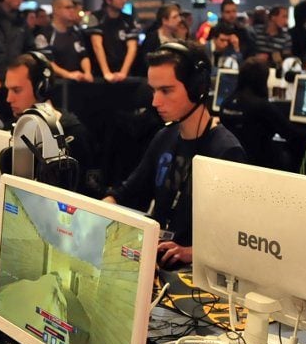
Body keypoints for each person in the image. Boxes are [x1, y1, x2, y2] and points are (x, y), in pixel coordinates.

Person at [103, 42, 246, 266]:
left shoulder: (226, 151)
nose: (155, 101)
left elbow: (235, 239)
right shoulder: (164, 137)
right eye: (153, 90)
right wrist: (97, 209)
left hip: (194, 271)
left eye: (166, 91)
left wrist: (191, 252)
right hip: (157, 259)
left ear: (197, 88)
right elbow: (128, 192)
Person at [4, 53, 97, 194]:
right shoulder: (11, 127)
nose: (9, 98)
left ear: (42, 88)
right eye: (8, 90)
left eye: (16, 90)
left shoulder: (73, 134)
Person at [219, 58, 306, 171]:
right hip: (260, 165)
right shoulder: (262, 107)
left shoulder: (226, 103)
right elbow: (290, 133)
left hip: (230, 164)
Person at [85, 0, 139, 82]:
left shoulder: (129, 19)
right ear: (108, 0)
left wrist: (123, 73)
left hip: (123, 72)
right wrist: (106, 72)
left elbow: (132, 48)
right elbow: (97, 45)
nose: (124, 0)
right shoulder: (94, 17)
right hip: (99, 74)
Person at [34, 0, 93, 83]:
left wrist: (87, 72)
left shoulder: (76, 32)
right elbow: (46, 61)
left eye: (73, 7)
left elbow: (83, 55)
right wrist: (68, 74)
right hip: (55, 84)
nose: (72, 10)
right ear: (56, 10)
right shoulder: (44, 34)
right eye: (68, 8)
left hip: (77, 82)